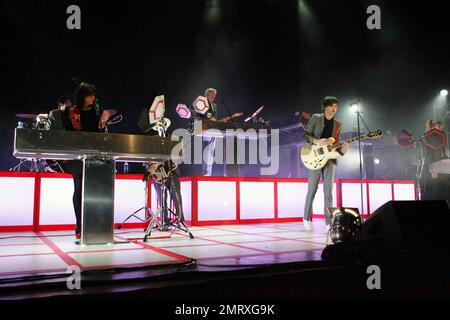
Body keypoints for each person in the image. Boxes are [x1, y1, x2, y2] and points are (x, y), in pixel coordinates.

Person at [64, 82, 110, 239]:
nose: (93, 98)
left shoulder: (97, 110)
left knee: (93, 189)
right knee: (79, 187)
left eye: (94, 95)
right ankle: (79, 226)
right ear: (83, 96)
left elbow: (98, 133)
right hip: (76, 155)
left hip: (93, 154)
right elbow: (68, 133)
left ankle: (93, 224)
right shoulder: (72, 112)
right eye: (90, 95)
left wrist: (103, 121)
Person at [302, 96, 348, 231]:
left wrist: (343, 151)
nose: (334, 109)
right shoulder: (316, 118)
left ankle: (329, 222)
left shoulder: (338, 124)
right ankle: (306, 217)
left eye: (336, 107)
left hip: (330, 159)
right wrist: (317, 141)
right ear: (325, 107)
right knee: (312, 189)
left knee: (328, 192)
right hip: (314, 156)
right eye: (332, 106)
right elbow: (305, 135)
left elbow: (336, 145)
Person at [424, 119, 450, 202]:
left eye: (441, 127)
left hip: (443, 168)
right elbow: (428, 155)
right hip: (436, 169)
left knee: (445, 191)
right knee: (438, 193)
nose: (441, 129)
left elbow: (444, 153)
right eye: (439, 127)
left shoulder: (440, 136)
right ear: (433, 126)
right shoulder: (429, 137)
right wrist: (433, 170)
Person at [194, 88, 218, 176]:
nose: (213, 98)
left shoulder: (214, 106)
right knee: (206, 152)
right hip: (203, 130)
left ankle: (209, 173)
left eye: (214, 97)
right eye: (212, 96)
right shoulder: (200, 103)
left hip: (213, 130)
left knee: (211, 153)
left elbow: (215, 117)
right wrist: (207, 120)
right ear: (206, 96)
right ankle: (205, 174)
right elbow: (196, 117)